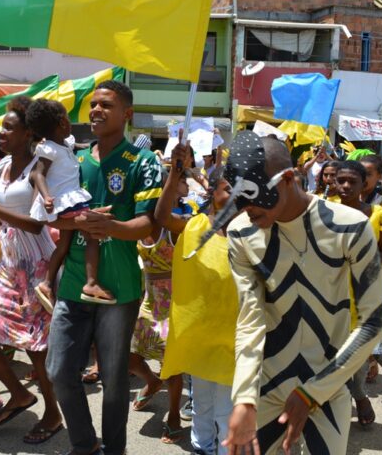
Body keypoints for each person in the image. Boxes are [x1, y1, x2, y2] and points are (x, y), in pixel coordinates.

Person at [221, 132, 382, 455]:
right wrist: (244, 398)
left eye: (253, 195)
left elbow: (374, 320)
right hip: (266, 388)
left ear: (287, 179)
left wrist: (313, 393)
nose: (246, 208)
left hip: (328, 388)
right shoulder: (241, 233)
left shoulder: (349, 226)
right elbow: (250, 321)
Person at [46, 80, 163, 455]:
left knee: (114, 381)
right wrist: (81, 222)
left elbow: (150, 224)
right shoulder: (73, 160)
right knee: (60, 372)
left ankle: (115, 449)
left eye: (106, 105)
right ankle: (85, 444)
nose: (95, 110)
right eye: (93, 105)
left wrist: (112, 227)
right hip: (74, 284)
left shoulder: (143, 162)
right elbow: (53, 218)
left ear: (127, 114)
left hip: (121, 287)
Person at [0, 95, 63, 443]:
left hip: (35, 262)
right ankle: (19, 394)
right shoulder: (3, 167)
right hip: (7, 260)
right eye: (2, 128)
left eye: (9, 128)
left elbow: (36, 225)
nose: (1, 133)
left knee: (36, 348)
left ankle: (53, 414)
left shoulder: (41, 165)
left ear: (28, 132)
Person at [157, 141, 238, 455]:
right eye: (229, 188)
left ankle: (224, 450)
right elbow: (163, 217)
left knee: (226, 407)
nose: (235, 196)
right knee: (202, 401)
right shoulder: (194, 226)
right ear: (213, 193)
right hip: (200, 335)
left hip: (233, 337)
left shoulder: (252, 234)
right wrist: (175, 172)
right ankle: (202, 446)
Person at [128, 167, 186, 445]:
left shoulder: (174, 228)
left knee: (171, 366)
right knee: (132, 358)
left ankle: (173, 416)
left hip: (174, 303)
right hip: (149, 300)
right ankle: (152, 382)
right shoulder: (140, 222)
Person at [334, 160, 382, 426]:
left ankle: (359, 396)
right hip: (329, 292)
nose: (345, 186)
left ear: (363, 184)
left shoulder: (378, 214)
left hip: (362, 294)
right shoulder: (324, 210)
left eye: (352, 181)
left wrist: (357, 256)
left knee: (354, 354)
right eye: (340, 180)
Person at [26, 100, 97, 309]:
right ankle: (91, 283)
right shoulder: (48, 149)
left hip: (69, 200)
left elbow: (78, 147)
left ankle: (47, 284)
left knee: (63, 246)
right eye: (67, 119)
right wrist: (47, 197)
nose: (70, 124)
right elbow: (38, 174)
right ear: (61, 124)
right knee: (92, 234)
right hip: (63, 201)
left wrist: (91, 146)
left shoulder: (65, 144)